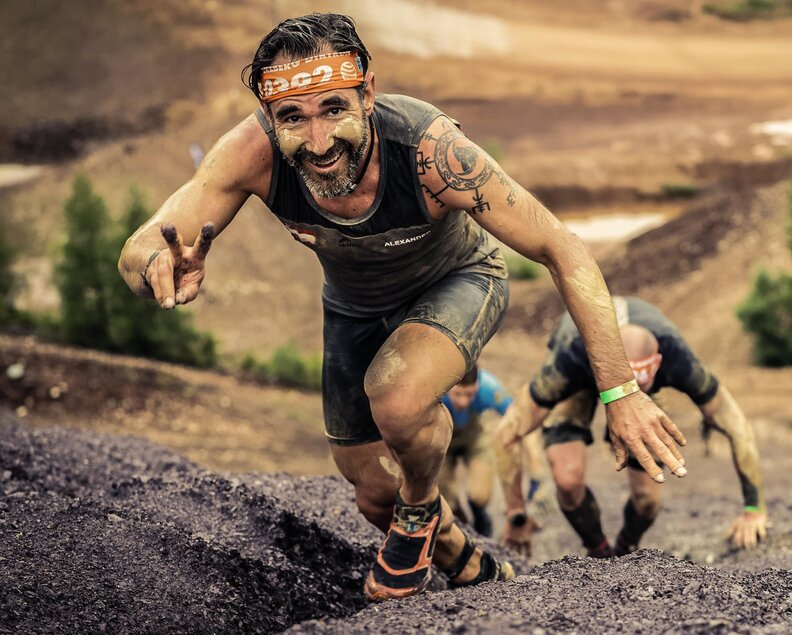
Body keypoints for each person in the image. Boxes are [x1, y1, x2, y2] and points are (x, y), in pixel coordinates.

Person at [117, 13, 688, 600]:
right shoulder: (248, 153)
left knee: (397, 398)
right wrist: (156, 267)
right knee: (372, 494)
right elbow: (141, 247)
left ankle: (419, 509)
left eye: (334, 109)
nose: (318, 142)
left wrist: (619, 391)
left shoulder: (430, 151)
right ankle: (470, 565)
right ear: (269, 116)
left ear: (367, 94)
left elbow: (561, 248)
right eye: (292, 118)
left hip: (459, 280)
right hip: (353, 308)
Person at [494, 297, 768, 557]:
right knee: (568, 480)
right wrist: (516, 514)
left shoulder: (677, 358)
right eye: (625, 386)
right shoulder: (571, 358)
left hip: (630, 385)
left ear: (657, 365)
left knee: (647, 500)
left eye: (637, 384)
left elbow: (737, 426)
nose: (627, 398)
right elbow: (507, 432)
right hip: (587, 373)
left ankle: (625, 547)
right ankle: (599, 551)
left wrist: (754, 510)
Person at [440, 363, 550, 537]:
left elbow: (523, 423)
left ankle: (480, 518)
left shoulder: (489, 388)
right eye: (458, 394)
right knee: (444, 499)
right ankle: (460, 526)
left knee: (480, 495)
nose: (463, 402)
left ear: (477, 385)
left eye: (469, 394)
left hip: (474, 436)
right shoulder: (437, 389)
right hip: (442, 437)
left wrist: (536, 472)